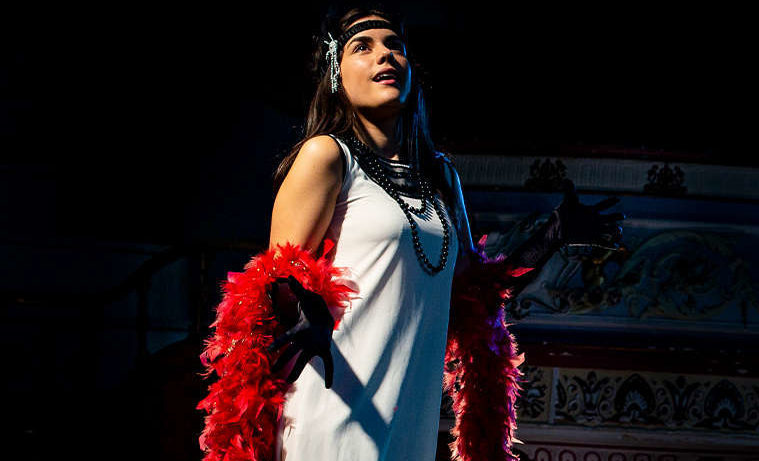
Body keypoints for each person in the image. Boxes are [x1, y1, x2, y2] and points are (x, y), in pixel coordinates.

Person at [197, 3, 624, 461]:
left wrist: (551, 235)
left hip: (407, 418)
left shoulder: (440, 177)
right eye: (363, 47)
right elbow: (273, 278)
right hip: (335, 404)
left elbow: (474, 297)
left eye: (395, 47)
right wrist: (302, 304)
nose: (385, 56)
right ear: (336, 77)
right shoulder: (327, 156)